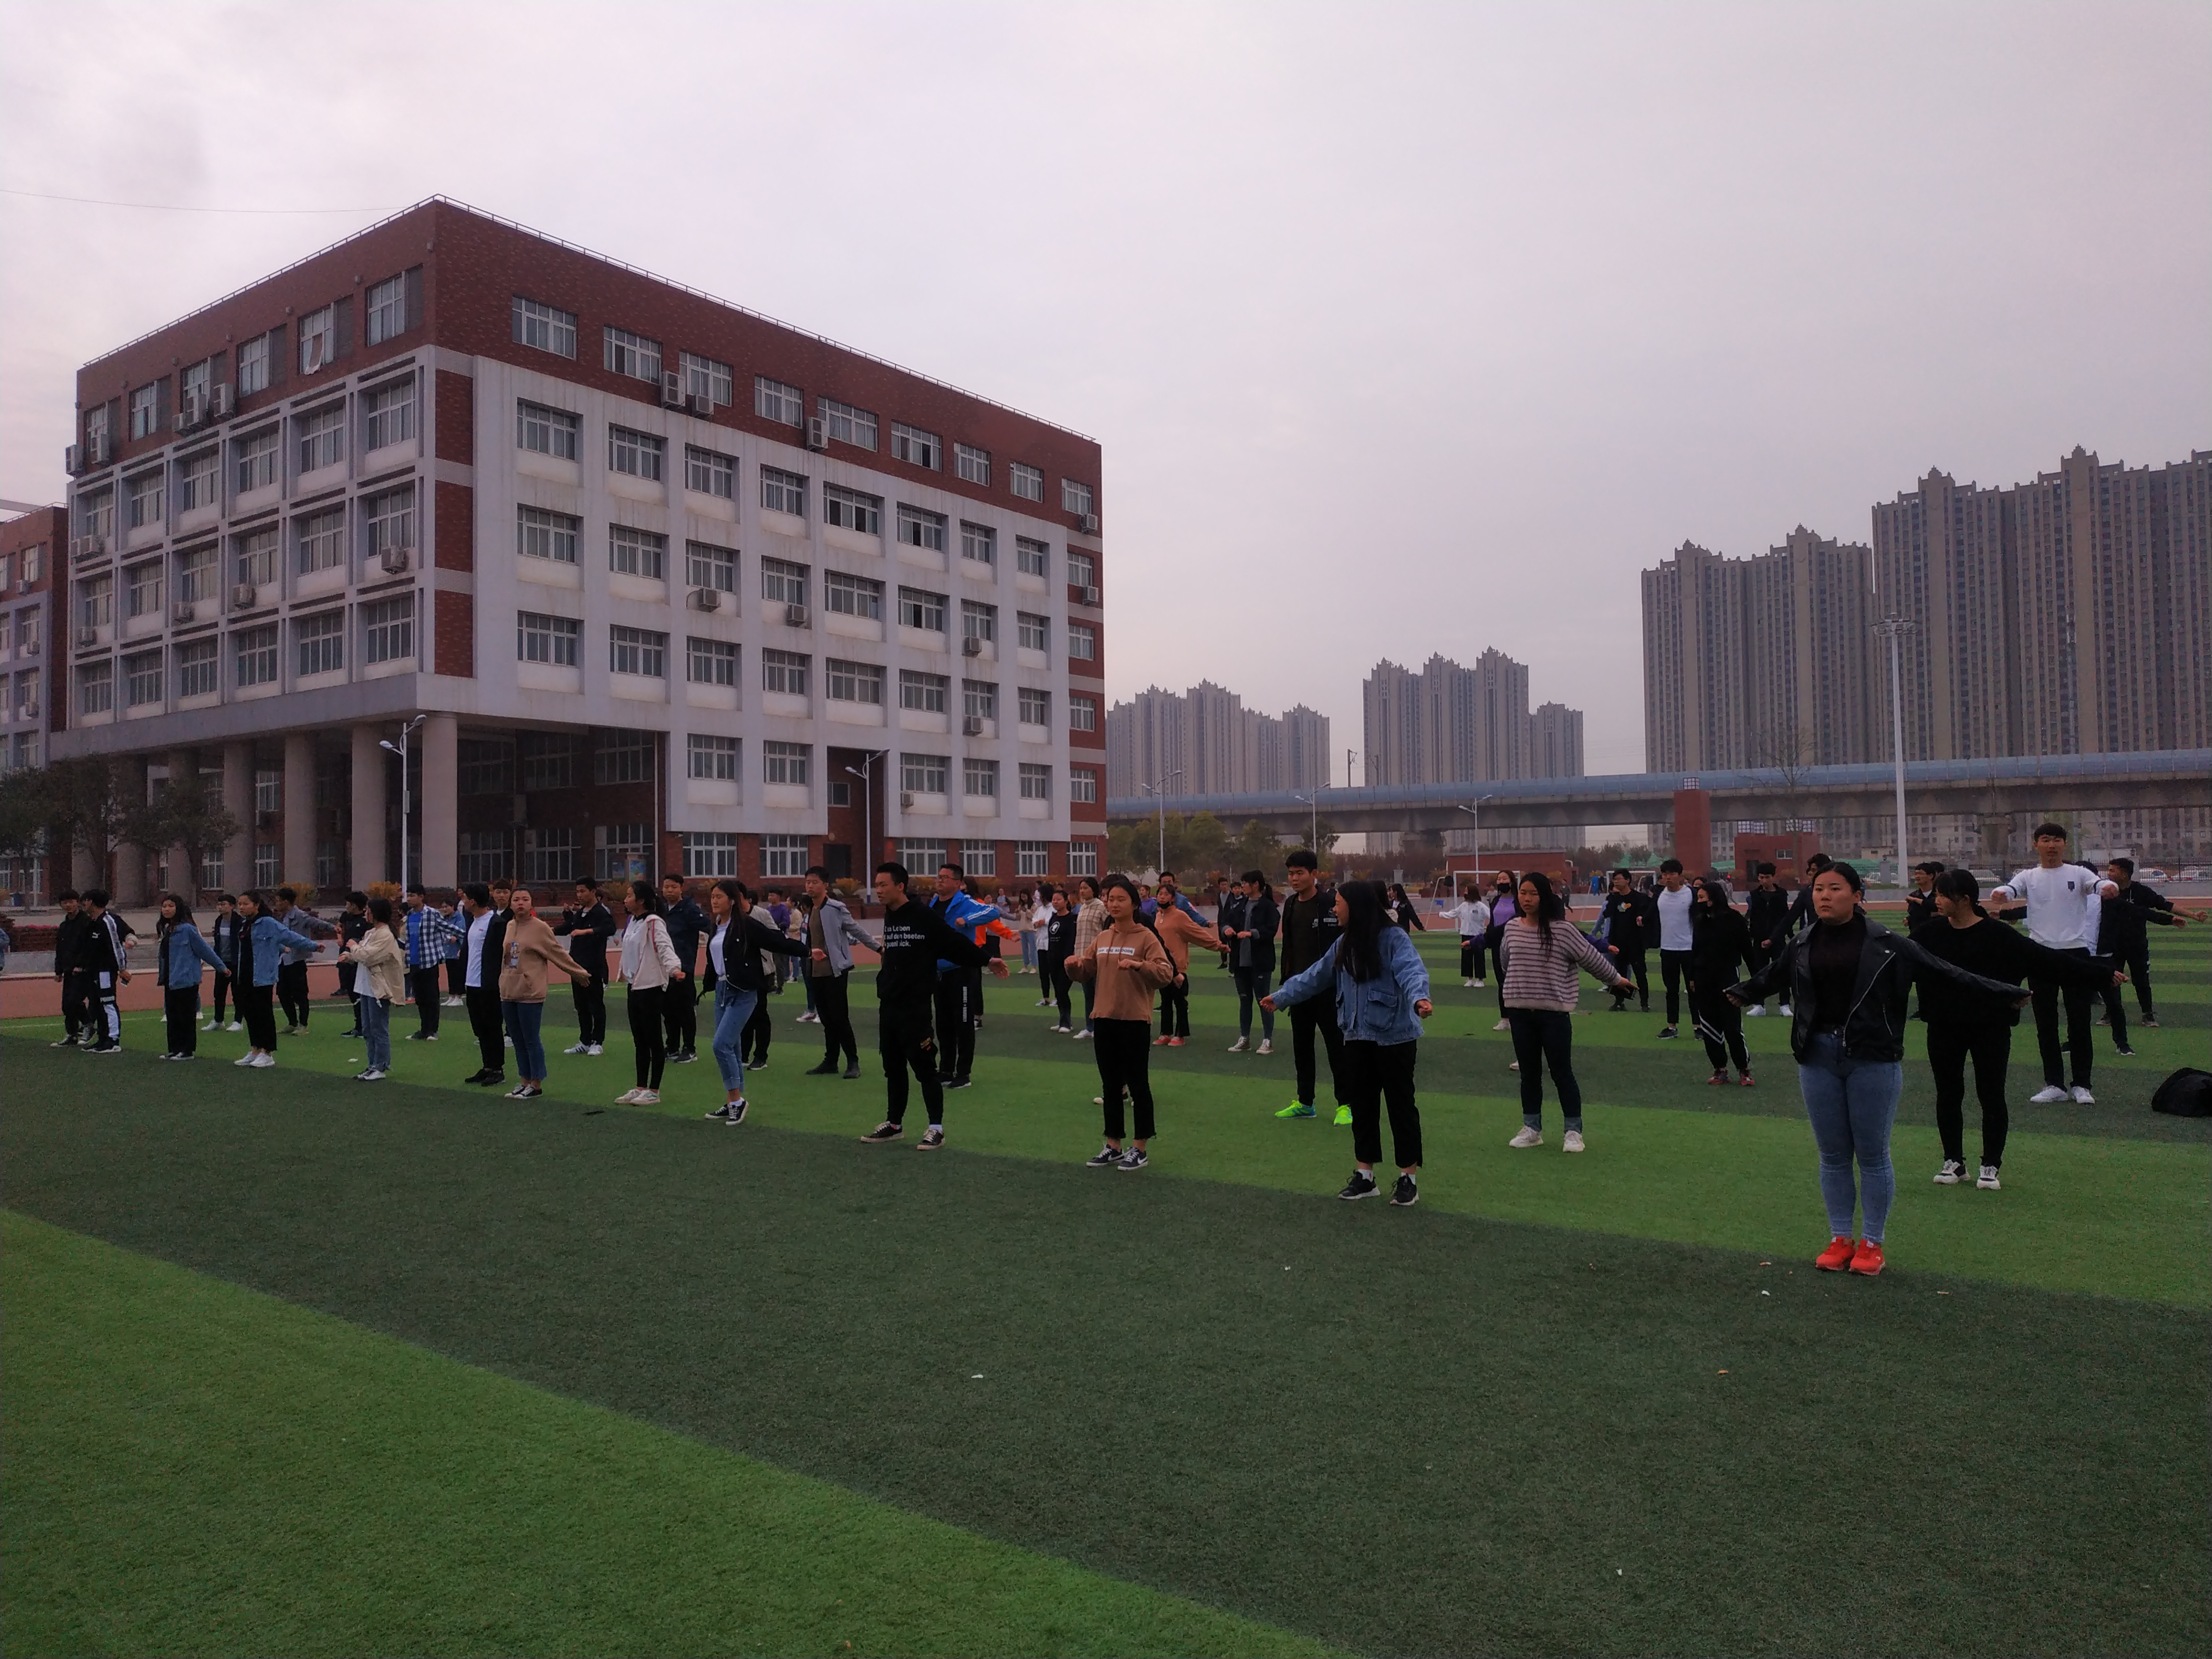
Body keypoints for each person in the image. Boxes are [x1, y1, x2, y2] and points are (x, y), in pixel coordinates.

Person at [1726, 863, 2023, 1276]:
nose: (1824, 896)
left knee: (1872, 1155)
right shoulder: (1803, 941)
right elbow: (1772, 976)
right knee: (1833, 1156)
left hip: (1872, 1056)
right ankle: (1840, 1238)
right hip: (1817, 1057)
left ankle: (1871, 1243)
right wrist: (1739, 993)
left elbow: (1947, 973)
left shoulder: (1888, 943)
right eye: (1818, 889)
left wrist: (2004, 993)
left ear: (1857, 894)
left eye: (1835, 888)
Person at [1913, 869, 2119, 1188]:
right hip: (1943, 1026)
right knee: (1948, 1093)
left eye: (1942, 895)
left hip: (1990, 1026)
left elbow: (2048, 961)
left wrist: (2102, 975)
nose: (1936, 901)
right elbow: (1898, 961)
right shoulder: (1929, 934)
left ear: (1964, 899)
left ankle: (1990, 1165)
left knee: (1991, 1094)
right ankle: (1953, 1162)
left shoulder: (1998, 935)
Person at [1266, 879, 1434, 1204]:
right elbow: (1316, 975)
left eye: (1339, 903)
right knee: (1363, 1106)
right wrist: (1282, 996)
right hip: (1356, 1035)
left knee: (1401, 1107)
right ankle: (1365, 1176)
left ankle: (1408, 1178)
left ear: (1355, 906)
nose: (1334, 908)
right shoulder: (1344, 943)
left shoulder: (1394, 938)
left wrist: (1419, 999)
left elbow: (1412, 971)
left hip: (1395, 1037)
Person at [859, 862, 1000, 1148]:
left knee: (925, 1068)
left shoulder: (923, 915)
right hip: (889, 1004)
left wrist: (987, 960)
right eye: (877, 885)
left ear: (900, 886)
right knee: (892, 1067)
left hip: (915, 1007)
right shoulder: (890, 914)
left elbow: (952, 942)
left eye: (884, 885)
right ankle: (894, 1124)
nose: (879, 890)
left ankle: (936, 1128)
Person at [1499, 872, 1634, 1151]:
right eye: (1523, 893)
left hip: (1554, 1014)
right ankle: (1532, 1128)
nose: (1527, 899)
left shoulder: (1562, 931)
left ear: (1544, 896)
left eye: (1533, 893)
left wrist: (1616, 980)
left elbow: (1591, 959)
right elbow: (1506, 963)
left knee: (1562, 1072)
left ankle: (1573, 1131)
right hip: (1520, 1012)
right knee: (1529, 1074)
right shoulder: (1512, 928)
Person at [1989, 824, 2118, 1105]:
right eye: (2046, 840)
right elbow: (2010, 889)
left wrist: (2109, 887)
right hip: (2040, 953)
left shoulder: (2078, 873)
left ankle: (2082, 1084)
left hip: (2075, 953)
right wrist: (2001, 893)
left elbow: (2098, 885)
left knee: (2079, 1020)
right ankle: (2054, 1084)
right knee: (2046, 1022)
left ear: (2064, 844)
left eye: (2057, 840)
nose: (2051, 845)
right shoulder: (2028, 875)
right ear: (2036, 844)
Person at [1068, 873, 1177, 1170]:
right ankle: (1113, 1144)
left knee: (1138, 1084)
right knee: (1110, 1085)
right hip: (1104, 1018)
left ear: (1134, 904)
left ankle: (1139, 1148)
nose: (1114, 904)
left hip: (1134, 1019)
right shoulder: (1103, 937)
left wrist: (1139, 965)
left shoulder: (1146, 937)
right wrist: (1073, 967)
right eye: (1110, 899)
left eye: (1121, 899)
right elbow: (1085, 972)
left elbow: (1165, 974)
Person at [700, 880, 810, 1123]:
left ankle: (737, 1102)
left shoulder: (746, 925)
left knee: (721, 1045)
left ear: (732, 900)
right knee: (733, 1047)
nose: (714, 901)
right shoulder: (716, 925)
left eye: (719, 897)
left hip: (743, 991)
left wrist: (808, 952)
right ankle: (733, 1101)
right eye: (713, 897)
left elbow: (775, 940)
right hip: (722, 991)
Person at [926, 862, 1019, 1087]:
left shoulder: (966, 903)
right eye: (939, 877)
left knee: (963, 1022)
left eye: (945, 878)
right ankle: (946, 1069)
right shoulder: (933, 904)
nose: (940, 881)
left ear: (959, 884)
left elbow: (992, 911)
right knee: (944, 1024)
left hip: (962, 970)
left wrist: (967, 920)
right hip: (939, 972)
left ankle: (963, 1073)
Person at [1276, 849, 1350, 1122]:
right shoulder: (1290, 904)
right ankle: (1305, 1102)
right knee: (1302, 1048)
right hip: (1298, 989)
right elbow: (1289, 946)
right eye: (1291, 874)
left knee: (1336, 1047)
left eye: (1300, 873)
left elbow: (1345, 943)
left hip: (1329, 990)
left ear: (1314, 874)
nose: (1294, 879)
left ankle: (1346, 1104)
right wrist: (1286, 983)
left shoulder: (1331, 903)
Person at [497, 887, 591, 1100]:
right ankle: (524, 1081)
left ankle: (536, 1084)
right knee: (517, 1040)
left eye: (525, 899)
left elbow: (557, 953)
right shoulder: (510, 925)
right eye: (516, 900)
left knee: (531, 1039)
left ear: (531, 904)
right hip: (509, 990)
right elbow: (508, 958)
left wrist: (579, 973)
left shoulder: (540, 928)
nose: (520, 903)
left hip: (530, 992)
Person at [2098, 857, 2200, 1042]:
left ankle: (2148, 1014)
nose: (2108, 874)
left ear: (2124, 874)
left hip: (2137, 945)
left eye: (2112, 870)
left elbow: (2165, 905)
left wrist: (2192, 915)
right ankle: (2111, 1013)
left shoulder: (2141, 892)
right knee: (2111, 980)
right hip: (2112, 945)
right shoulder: (2105, 892)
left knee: (2141, 981)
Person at [611, 879, 685, 1104]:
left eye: (630, 896)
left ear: (641, 900)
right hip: (634, 986)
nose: (626, 900)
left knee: (653, 1039)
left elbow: (664, 947)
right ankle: (640, 1086)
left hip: (651, 987)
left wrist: (675, 969)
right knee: (639, 1040)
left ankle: (654, 1090)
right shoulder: (633, 921)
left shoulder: (654, 922)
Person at [231, 891, 322, 1069]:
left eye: (246, 904)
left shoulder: (268, 923)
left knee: (263, 1013)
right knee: (250, 1013)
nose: (241, 907)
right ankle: (255, 1050)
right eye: (240, 904)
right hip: (245, 974)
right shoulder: (244, 925)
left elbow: (290, 937)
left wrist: (314, 946)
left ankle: (267, 1052)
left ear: (257, 905)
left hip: (262, 976)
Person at [801, 865, 874, 1077]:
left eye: (815, 882)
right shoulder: (811, 909)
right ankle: (831, 1061)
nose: (810, 886)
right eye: (808, 882)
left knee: (840, 1018)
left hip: (835, 971)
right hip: (815, 971)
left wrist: (877, 948)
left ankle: (853, 1062)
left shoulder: (835, 908)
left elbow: (856, 930)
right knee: (826, 1018)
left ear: (825, 885)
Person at [1688, 876, 1755, 1085]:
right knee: (1709, 1025)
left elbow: (1747, 949)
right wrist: (1692, 977)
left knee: (1732, 1025)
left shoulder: (1735, 920)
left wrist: (1757, 979)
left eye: (1702, 897)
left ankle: (1744, 1069)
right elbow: (1695, 951)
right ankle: (1720, 1069)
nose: (1698, 901)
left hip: (1728, 977)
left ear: (1713, 899)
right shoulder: (1701, 921)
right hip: (1703, 978)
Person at [340, 897, 406, 1081]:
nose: (366, 913)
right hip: (366, 986)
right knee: (368, 1029)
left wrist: (353, 948)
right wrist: (349, 956)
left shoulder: (385, 935)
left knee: (379, 1028)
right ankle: (372, 1065)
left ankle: (380, 1066)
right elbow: (361, 954)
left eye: (368, 910)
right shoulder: (371, 933)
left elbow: (369, 956)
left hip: (378, 988)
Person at [154, 894, 225, 1059]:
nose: (167, 909)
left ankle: (187, 1050)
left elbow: (204, 950)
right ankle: (174, 1049)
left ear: (178, 908)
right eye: (164, 906)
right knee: (172, 1015)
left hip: (186, 979)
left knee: (186, 1015)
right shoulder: (167, 930)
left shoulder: (188, 930)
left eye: (171, 906)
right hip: (170, 979)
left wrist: (221, 967)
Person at [554, 880, 615, 1057]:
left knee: (596, 1005)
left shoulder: (601, 912)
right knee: (581, 1006)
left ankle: (598, 1042)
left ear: (593, 892)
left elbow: (610, 929)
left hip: (593, 967)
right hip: (576, 966)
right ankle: (585, 1041)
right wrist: (547, 930)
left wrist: (586, 932)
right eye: (578, 892)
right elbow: (568, 927)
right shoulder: (580, 913)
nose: (579, 895)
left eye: (583, 891)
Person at [458, 881, 510, 1088]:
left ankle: (498, 1069)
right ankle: (487, 1066)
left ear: (473, 901)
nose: (463, 901)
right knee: (480, 1028)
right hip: (472, 983)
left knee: (492, 1027)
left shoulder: (496, 923)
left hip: (489, 985)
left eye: (465, 898)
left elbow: (505, 953)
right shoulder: (472, 921)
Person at [1224, 870, 1280, 1055]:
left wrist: (1252, 933)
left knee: (1264, 1001)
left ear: (1256, 885)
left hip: (1260, 962)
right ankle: (1245, 1038)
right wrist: (1227, 929)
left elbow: (1271, 929)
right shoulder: (1240, 905)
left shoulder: (1268, 906)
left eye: (1245, 883)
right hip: (1240, 962)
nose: (1242, 886)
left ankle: (1267, 1040)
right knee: (1244, 1000)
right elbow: (1226, 921)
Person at [1151, 897, 1217, 1047]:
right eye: (1160, 894)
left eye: (1166, 894)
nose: (1162, 897)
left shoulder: (1180, 915)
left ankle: (1180, 1034)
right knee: (1165, 1001)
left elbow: (1196, 933)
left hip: (1178, 965)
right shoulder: (1158, 916)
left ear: (1173, 898)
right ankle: (1166, 1033)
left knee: (1180, 1001)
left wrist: (1217, 945)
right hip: (1163, 965)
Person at [75, 889, 133, 1054]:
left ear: (92, 903)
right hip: (94, 971)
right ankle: (102, 1039)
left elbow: (116, 946)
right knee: (97, 1004)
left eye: (86, 900)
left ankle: (113, 1040)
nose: (83, 904)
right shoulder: (93, 922)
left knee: (108, 1003)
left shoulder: (108, 921)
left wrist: (122, 968)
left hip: (106, 971)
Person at [659, 875, 708, 1064]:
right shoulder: (662, 910)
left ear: (681, 888)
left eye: (673, 887)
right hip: (665, 967)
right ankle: (672, 1046)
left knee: (685, 1009)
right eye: (666, 887)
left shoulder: (689, 909)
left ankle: (690, 1049)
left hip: (684, 967)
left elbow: (709, 927)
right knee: (668, 1009)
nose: (669, 891)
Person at [401, 886, 453, 1041]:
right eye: (408, 896)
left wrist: (448, 941)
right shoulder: (409, 915)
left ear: (421, 897)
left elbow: (444, 930)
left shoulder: (432, 913)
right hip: (414, 961)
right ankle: (424, 1030)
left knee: (431, 996)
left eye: (412, 895)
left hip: (429, 960)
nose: (409, 899)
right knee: (420, 997)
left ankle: (433, 1030)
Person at [1597, 869, 1652, 1012]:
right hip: (1618, 942)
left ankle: (1644, 1003)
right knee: (1619, 974)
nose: (1616, 881)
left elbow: (1647, 914)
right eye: (1614, 879)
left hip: (1635, 943)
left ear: (1628, 880)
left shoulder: (1639, 898)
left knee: (1640, 973)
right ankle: (1619, 1002)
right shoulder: (1614, 899)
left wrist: (1642, 919)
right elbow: (1607, 914)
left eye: (1619, 879)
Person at [269, 886, 321, 1034]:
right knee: (282, 992)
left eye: (278, 901)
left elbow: (316, 923)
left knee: (300, 993)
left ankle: (303, 1025)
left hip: (297, 960)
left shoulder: (300, 915)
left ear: (286, 902)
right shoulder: (281, 917)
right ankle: (292, 1022)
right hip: (283, 960)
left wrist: (334, 928)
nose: (276, 904)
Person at [1652, 859, 1694, 1038]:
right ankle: (1672, 1027)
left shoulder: (1691, 894)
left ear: (1680, 876)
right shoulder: (1659, 895)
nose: (1668, 878)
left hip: (1689, 949)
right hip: (1668, 949)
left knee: (1694, 990)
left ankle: (1699, 1026)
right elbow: (1650, 914)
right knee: (1671, 990)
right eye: (1665, 874)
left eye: (1672, 874)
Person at [1743, 863, 1790, 1017]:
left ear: (1774, 877)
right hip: (1759, 940)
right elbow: (1753, 917)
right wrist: (1755, 936)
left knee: (1782, 972)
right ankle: (1759, 1005)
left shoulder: (1782, 894)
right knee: (1758, 973)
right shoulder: (1754, 895)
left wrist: (1779, 937)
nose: (1764, 881)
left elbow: (1785, 917)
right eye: (1761, 878)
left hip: (1778, 940)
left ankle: (1785, 1005)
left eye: (1767, 878)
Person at [48, 889, 88, 1047]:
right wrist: (58, 971)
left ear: (78, 902)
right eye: (65, 903)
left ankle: (88, 1024)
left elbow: (88, 947)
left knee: (75, 1000)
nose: (69, 905)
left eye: (71, 902)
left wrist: (81, 965)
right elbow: (60, 949)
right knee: (66, 1004)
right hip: (68, 970)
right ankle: (72, 1034)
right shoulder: (64, 926)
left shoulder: (86, 922)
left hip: (82, 970)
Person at [1070, 875, 1107, 1037]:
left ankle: (1101, 1026)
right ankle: (1089, 1027)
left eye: (1086, 888)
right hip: (1082, 957)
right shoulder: (1082, 908)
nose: (1082, 891)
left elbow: (1107, 930)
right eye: (1081, 888)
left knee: (1100, 994)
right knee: (1088, 994)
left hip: (1098, 957)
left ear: (1094, 890)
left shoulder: (1101, 907)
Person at [1483, 873, 1519, 1026]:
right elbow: (1492, 921)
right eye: (1499, 879)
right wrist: (1488, 937)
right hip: (1498, 945)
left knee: (1516, 981)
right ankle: (1505, 1018)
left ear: (1512, 881)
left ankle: (1519, 1016)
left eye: (1504, 879)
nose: (1501, 882)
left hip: (1514, 944)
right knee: (1502, 982)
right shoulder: (1496, 900)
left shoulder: (1518, 900)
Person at [1040, 887, 1078, 1031]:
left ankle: (1067, 1023)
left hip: (1066, 961)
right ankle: (1062, 1020)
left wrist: (1068, 958)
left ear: (1066, 901)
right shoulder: (1053, 918)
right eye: (1054, 900)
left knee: (1062, 991)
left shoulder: (1072, 919)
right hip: (1053, 960)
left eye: (1059, 900)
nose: (1055, 902)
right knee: (1058, 992)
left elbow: (1071, 940)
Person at [206, 893, 243, 1031]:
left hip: (236, 963)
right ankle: (218, 1020)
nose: (220, 907)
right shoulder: (218, 921)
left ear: (232, 906)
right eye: (219, 904)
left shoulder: (240, 922)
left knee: (237, 993)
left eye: (223, 904)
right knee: (219, 993)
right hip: (222, 963)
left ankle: (238, 1021)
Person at [336, 891, 369, 1036]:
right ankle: (359, 1026)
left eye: (348, 904)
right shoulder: (347, 917)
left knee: (359, 994)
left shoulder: (365, 923)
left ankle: (363, 1027)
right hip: (346, 961)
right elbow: (339, 927)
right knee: (351, 993)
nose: (346, 906)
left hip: (357, 963)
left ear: (354, 905)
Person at [1453, 884, 1491, 988]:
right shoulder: (1464, 905)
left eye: (1467, 891)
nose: (1465, 893)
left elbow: (1490, 915)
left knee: (1479, 958)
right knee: (1467, 958)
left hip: (1477, 935)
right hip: (1466, 934)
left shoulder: (1481, 906)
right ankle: (1470, 979)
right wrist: (1441, 914)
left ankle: (1480, 980)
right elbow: (1455, 913)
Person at [439, 898, 468, 1005]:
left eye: (446, 907)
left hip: (457, 950)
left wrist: (450, 937)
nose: (444, 909)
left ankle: (459, 997)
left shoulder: (459, 917)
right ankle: (452, 996)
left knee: (458, 974)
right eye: (443, 907)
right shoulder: (445, 919)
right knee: (450, 974)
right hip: (448, 951)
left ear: (452, 907)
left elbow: (459, 932)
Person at [1905, 862, 1945, 935]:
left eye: (1921, 874)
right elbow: (1914, 914)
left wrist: (1918, 901)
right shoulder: (1913, 895)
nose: (1917, 877)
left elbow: (1936, 907)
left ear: (1931, 876)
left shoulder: (1940, 894)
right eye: (1916, 874)